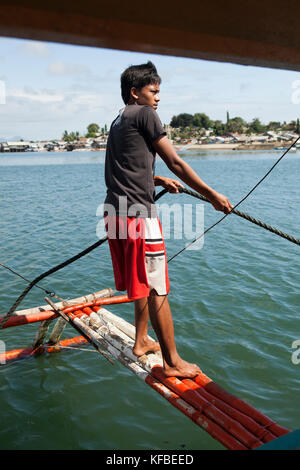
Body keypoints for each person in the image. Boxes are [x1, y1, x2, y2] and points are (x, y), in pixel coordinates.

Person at [104, 61, 232, 378]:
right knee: (158, 286)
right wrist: (211, 194)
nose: (158, 98)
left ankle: (141, 341)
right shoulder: (145, 114)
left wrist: (154, 180)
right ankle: (173, 363)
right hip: (138, 215)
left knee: (146, 282)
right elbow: (175, 160)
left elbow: (122, 166)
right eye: (153, 91)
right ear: (135, 92)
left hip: (115, 212)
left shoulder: (119, 119)